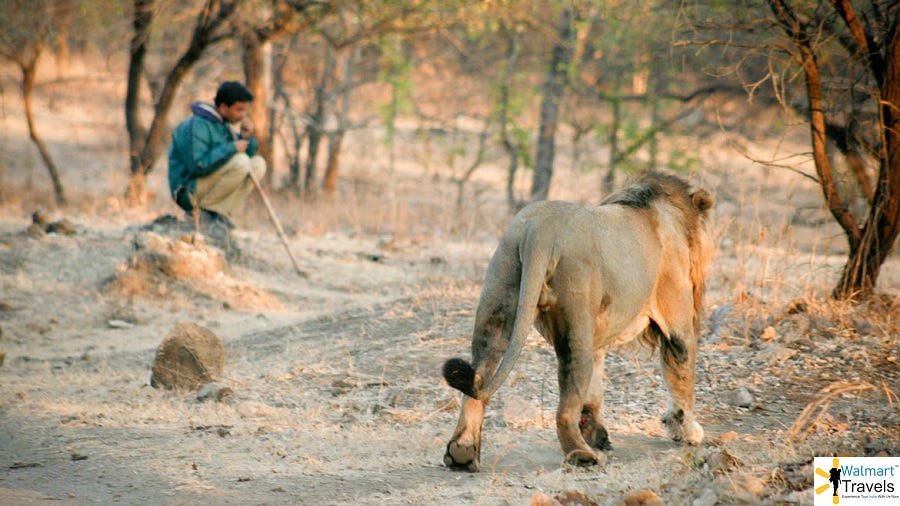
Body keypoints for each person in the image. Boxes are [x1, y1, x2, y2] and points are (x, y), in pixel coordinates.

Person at [168, 81, 266, 230]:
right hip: (188, 189)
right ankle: (202, 212)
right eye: (239, 110)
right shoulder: (197, 125)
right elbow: (198, 165)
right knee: (241, 162)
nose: (243, 115)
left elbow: (244, 156)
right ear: (223, 107)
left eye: (245, 111)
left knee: (258, 163)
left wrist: (245, 138)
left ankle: (220, 213)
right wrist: (232, 147)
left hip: (205, 185)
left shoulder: (222, 125)